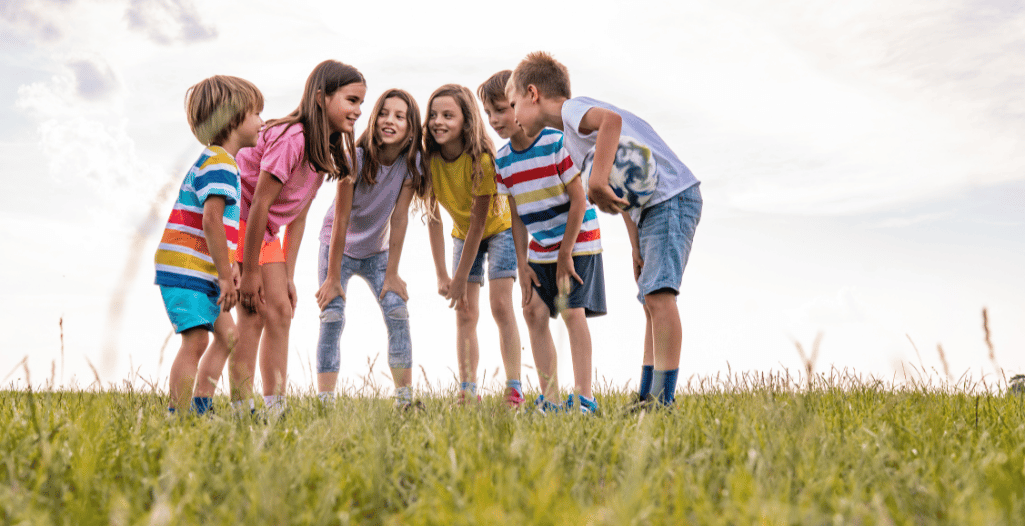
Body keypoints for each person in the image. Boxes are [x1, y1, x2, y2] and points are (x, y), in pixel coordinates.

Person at [508, 52, 702, 407]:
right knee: (649, 299)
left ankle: (662, 400)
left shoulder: (572, 110)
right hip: (651, 209)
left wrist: (595, 180)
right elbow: (621, 188)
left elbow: (611, 121)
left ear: (532, 93)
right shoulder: (569, 141)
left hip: (671, 196)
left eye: (513, 103)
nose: (513, 115)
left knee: (660, 298)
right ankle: (648, 396)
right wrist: (635, 245)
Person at [233, 60, 366, 415]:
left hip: (266, 231)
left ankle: (274, 407)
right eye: (351, 100)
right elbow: (260, 202)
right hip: (242, 220)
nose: (357, 110)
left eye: (360, 104)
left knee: (280, 311)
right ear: (321, 97)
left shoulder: (324, 147)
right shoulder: (293, 138)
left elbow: (299, 215)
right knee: (253, 311)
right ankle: (240, 406)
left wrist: (287, 276)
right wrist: (248, 273)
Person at [479, 71, 606, 414]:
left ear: (522, 103)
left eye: (503, 109)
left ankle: (584, 398)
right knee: (533, 310)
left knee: (571, 311)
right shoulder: (503, 161)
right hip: (541, 246)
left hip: (578, 240)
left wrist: (565, 253)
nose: (495, 120)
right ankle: (549, 399)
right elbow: (517, 216)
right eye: (488, 113)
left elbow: (579, 201)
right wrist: (522, 263)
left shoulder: (555, 142)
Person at [313, 89, 432, 408]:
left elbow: (400, 217)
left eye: (399, 116)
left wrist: (392, 272)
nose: (389, 120)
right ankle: (325, 401)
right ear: (374, 117)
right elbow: (340, 218)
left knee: (397, 309)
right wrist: (333, 278)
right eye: (384, 113)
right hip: (337, 246)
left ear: (411, 129)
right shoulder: (355, 157)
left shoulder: (412, 163)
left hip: (377, 252)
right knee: (333, 316)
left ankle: (405, 401)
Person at [154, 75, 263, 414]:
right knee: (196, 340)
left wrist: (227, 264)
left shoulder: (219, 161)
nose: (262, 122)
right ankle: (178, 415)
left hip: (200, 269)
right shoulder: (219, 162)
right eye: (256, 113)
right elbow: (212, 220)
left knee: (228, 336)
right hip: (187, 270)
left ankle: (201, 404)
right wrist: (226, 277)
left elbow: (216, 228)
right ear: (233, 119)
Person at [424, 84, 524, 406]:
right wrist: (443, 275)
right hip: (462, 233)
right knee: (465, 312)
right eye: (434, 115)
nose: (438, 121)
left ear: (466, 121)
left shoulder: (480, 160)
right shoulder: (430, 160)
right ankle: (467, 392)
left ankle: (514, 389)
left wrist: (459, 279)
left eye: (448, 115)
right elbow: (434, 216)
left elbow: (480, 225)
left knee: (499, 305)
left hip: (499, 230)